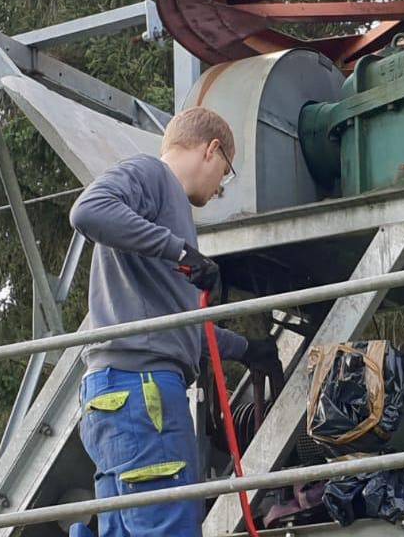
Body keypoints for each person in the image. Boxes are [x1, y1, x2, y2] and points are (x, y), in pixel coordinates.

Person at [67, 106, 279, 537]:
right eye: (226, 171)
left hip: (118, 395)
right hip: (143, 393)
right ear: (211, 150)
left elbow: (177, 325)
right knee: (169, 529)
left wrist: (246, 350)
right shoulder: (153, 175)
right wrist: (180, 250)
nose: (221, 187)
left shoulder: (162, 211)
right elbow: (87, 211)